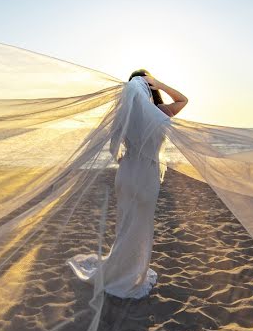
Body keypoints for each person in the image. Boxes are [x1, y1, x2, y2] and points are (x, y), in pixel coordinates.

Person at [67, 69, 188, 298]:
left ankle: (119, 268)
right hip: (146, 174)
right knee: (141, 225)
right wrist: (159, 84)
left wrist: (122, 159)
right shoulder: (160, 112)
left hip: (126, 173)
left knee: (125, 225)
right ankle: (131, 273)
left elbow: (114, 148)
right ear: (148, 88)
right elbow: (183, 100)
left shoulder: (123, 116)